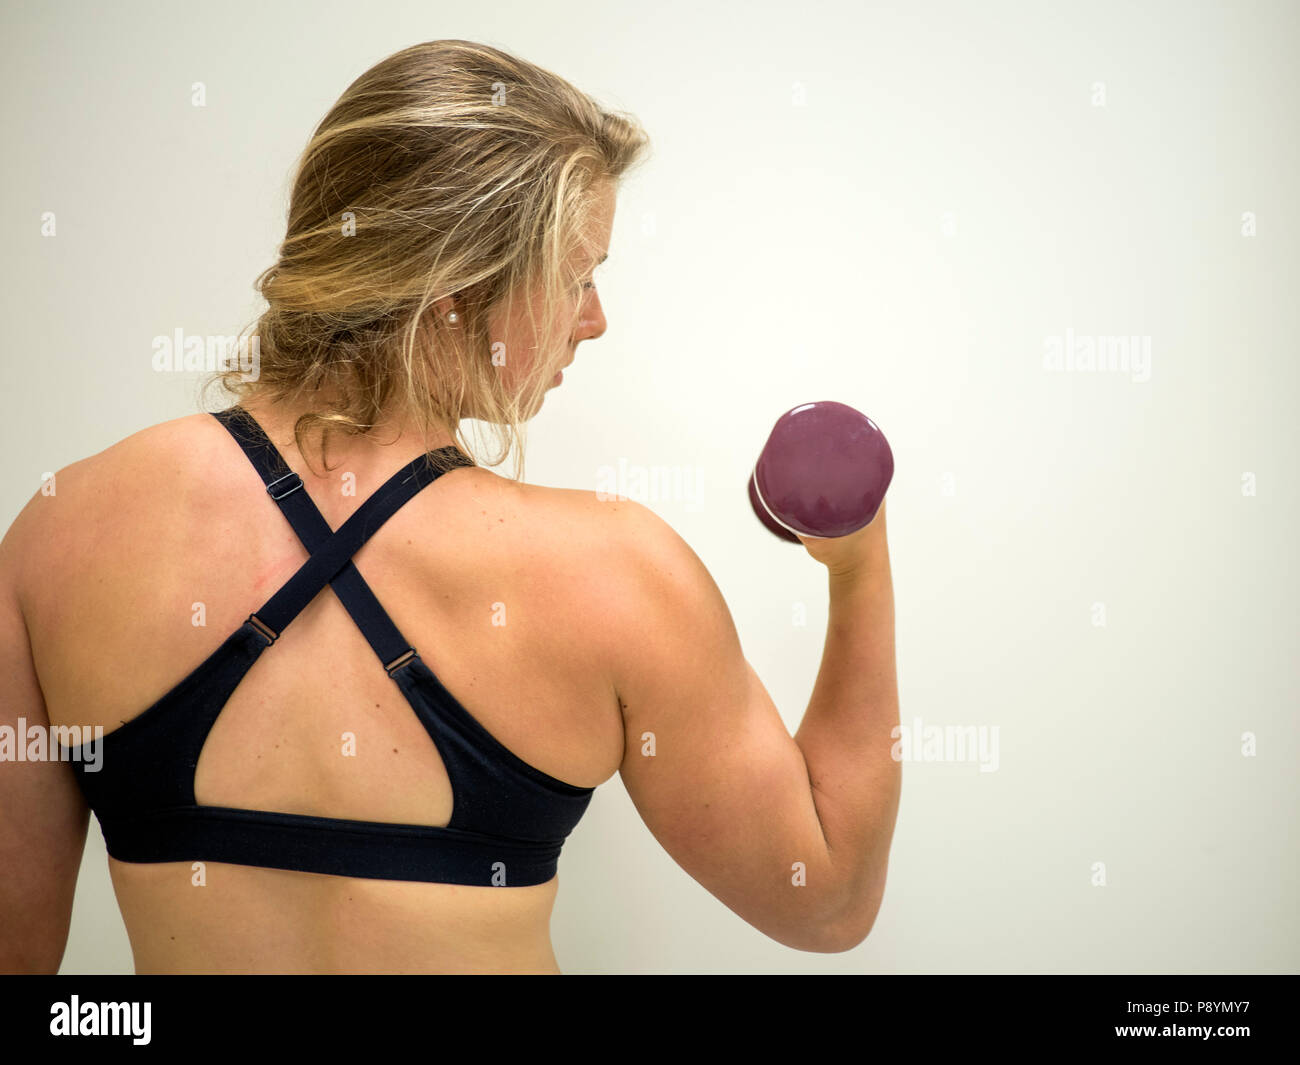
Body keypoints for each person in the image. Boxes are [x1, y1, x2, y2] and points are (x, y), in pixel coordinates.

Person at [0, 39, 899, 974]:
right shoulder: (617, 573)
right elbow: (826, 898)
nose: (594, 319)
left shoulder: (60, 534)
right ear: (459, 291)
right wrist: (860, 559)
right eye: (579, 274)